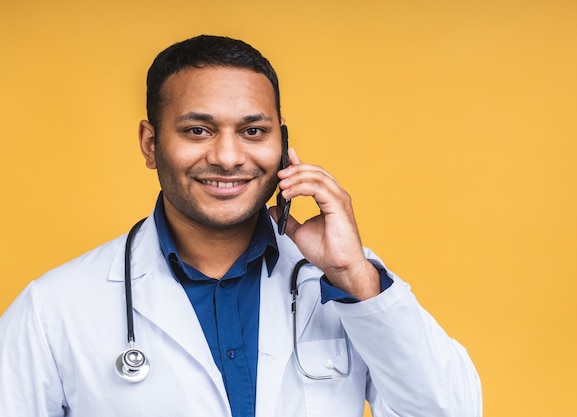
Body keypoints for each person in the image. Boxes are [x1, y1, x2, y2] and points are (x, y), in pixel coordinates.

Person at [0, 35, 482, 417]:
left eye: (254, 131)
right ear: (150, 144)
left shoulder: (346, 286)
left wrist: (355, 276)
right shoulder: (52, 310)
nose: (229, 157)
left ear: (282, 142)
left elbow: (451, 412)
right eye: (197, 130)